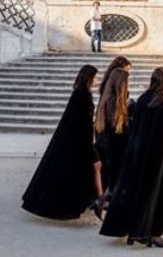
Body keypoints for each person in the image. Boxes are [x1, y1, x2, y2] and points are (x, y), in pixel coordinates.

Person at [99, 67, 163, 248]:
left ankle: (134, 231)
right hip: (157, 160)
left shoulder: (144, 99)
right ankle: (152, 232)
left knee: (139, 194)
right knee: (155, 196)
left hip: (138, 156)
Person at [22, 65, 103, 220]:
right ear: (89, 78)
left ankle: (95, 200)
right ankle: (95, 201)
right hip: (78, 144)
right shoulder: (83, 96)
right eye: (96, 77)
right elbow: (83, 124)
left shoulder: (80, 94)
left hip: (72, 142)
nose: (97, 80)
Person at [95, 68, 134, 210]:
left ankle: (104, 202)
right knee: (117, 182)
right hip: (116, 147)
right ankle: (104, 203)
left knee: (114, 181)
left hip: (108, 146)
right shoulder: (115, 101)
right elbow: (118, 129)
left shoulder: (106, 98)